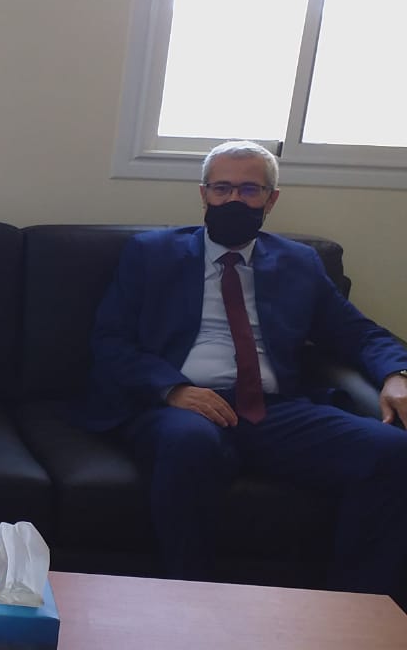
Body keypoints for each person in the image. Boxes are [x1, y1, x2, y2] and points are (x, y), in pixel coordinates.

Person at [86, 139, 407, 596]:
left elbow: (356, 333)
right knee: (191, 444)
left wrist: (398, 374)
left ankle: (358, 608)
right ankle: (188, 599)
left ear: (271, 200)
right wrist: (173, 390)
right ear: (204, 195)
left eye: (249, 190)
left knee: (392, 452)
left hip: (276, 409)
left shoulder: (300, 262)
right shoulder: (151, 254)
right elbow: (110, 341)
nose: (233, 200)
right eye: (222, 188)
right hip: (181, 404)